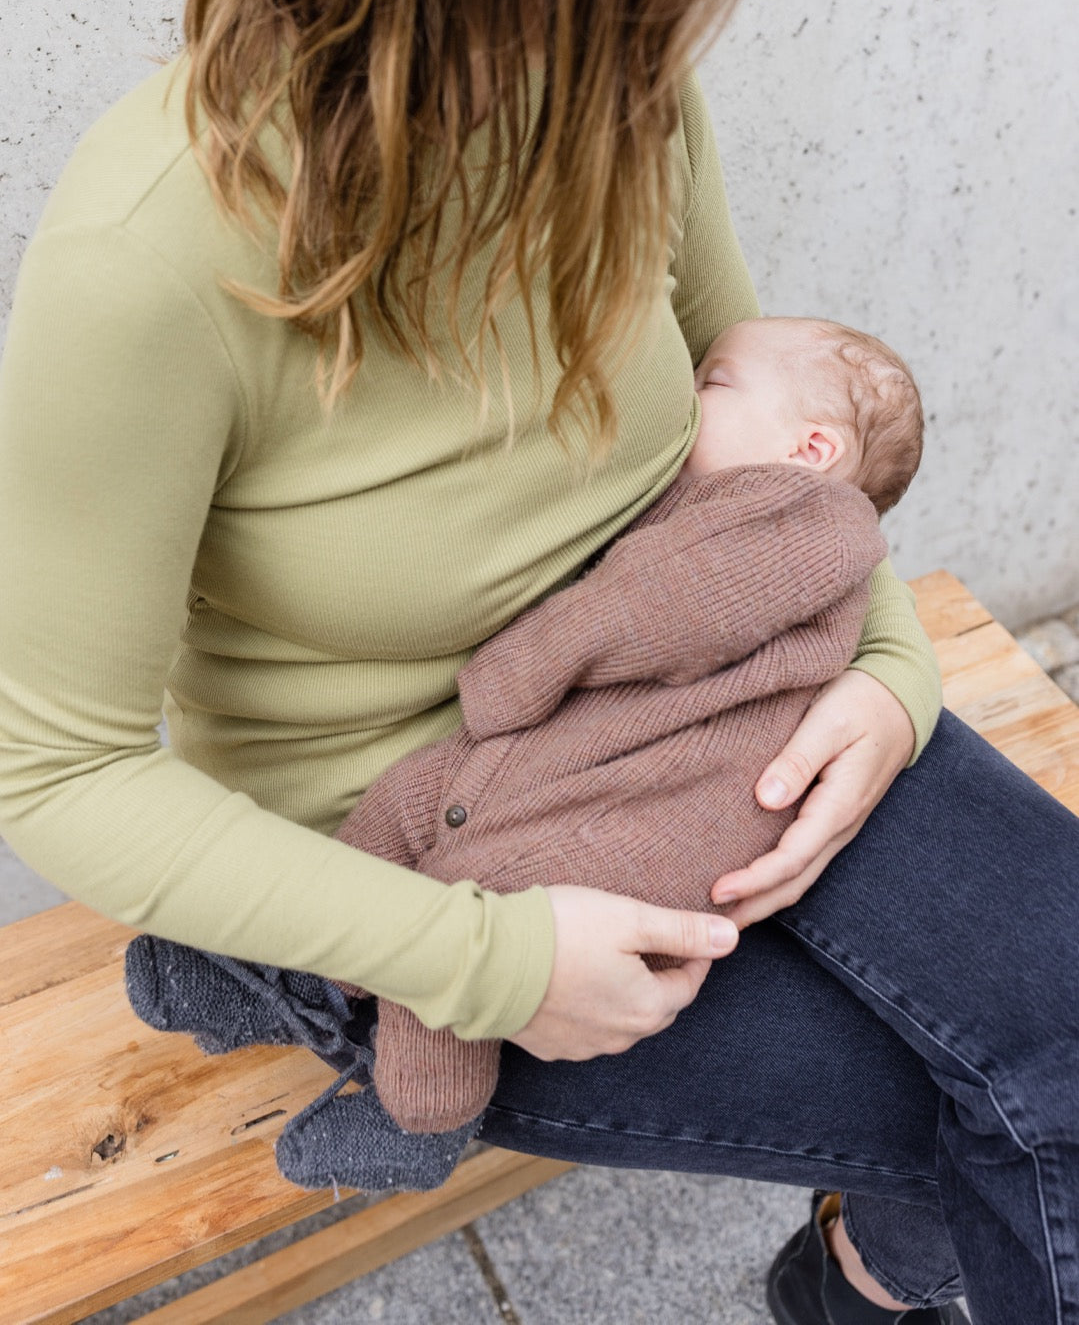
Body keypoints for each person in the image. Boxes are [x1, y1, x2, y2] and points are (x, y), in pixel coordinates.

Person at [0, 0, 1074, 1320]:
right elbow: (60, 774)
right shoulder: (153, 255)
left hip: (707, 687)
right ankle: (860, 1275)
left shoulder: (619, 88)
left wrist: (882, 683)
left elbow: (760, 391)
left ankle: (858, 1281)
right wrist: (481, 961)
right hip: (430, 846)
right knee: (1016, 1108)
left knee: (1055, 1073)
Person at [123, 314, 916, 1190]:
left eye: (712, 384)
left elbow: (649, 609)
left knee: (474, 903)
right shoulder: (761, 512)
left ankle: (423, 1115)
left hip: (650, 820)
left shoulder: (799, 521)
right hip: (578, 765)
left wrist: (513, 676)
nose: (686, 397)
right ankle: (304, 974)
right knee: (409, 802)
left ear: (810, 446)